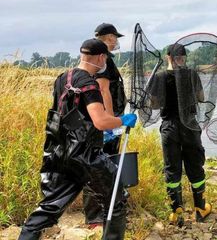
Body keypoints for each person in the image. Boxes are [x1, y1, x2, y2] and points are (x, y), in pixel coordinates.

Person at [18, 39, 137, 240]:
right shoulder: (89, 84)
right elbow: (100, 121)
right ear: (101, 57)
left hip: (60, 153)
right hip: (86, 156)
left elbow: (64, 115)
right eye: (105, 58)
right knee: (116, 198)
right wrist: (122, 120)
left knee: (50, 206)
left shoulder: (62, 78)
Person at [151, 43, 211, 227]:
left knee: (172, 168)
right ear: (182, 58)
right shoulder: (192, 74)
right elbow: (201, 98)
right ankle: (200, 208)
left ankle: (176, 212)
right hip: (190, 126)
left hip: (169, 127)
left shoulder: (159, 77)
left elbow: (154, 105)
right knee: (195, 165)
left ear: (167, 57)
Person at [83, 23, 127, 227]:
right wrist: (110, 121)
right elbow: (103, 90)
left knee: (105, 163)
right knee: (100, 164)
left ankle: (108, 208)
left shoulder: (98, 59)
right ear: (108, 37)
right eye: (114, 37)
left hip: (106, 119)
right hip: (105, 121)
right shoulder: (103, 60)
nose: (116, 41)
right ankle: (95, 216)